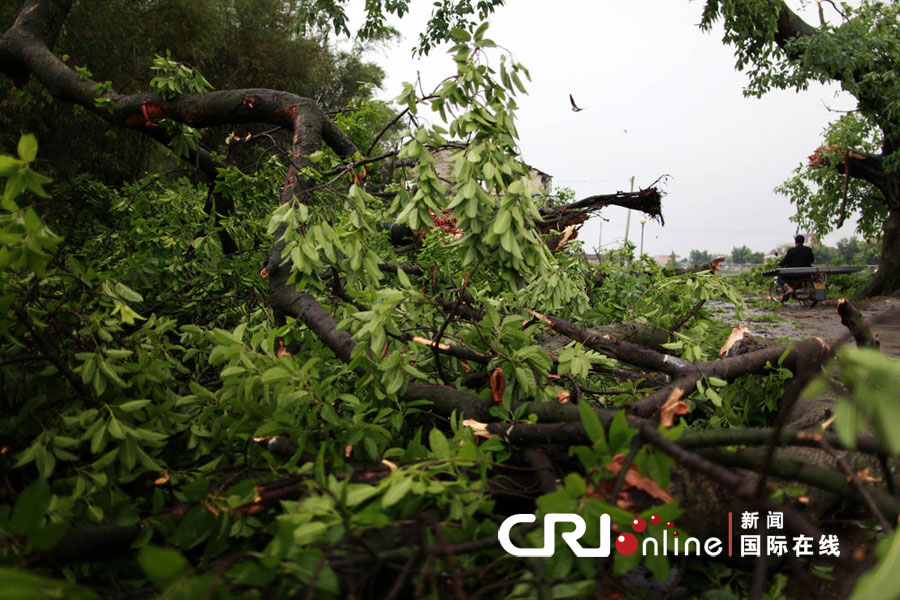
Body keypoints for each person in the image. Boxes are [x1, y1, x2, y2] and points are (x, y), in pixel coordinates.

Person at [777, 234, 815, 302]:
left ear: (795, 242)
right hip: (806, 273)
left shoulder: (791, 251)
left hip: (793, 274)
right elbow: (812, 260)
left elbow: (785, 261)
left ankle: (789, 288)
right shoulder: (809, 250)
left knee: (780, 277)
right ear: (803, 241)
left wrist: (780, 264)